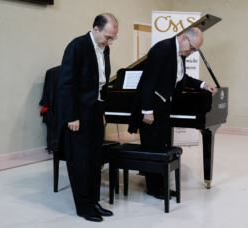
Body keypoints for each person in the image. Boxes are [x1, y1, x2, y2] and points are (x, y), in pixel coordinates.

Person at [128, 27, 218, 199]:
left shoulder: (179, 54)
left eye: (195, 50)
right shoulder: (162, 49)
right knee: (152, 147)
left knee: (161, 145)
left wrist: (203, 84)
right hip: (152, 108)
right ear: (183, 38)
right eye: (192, 48)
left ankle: (161, 186)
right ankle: (154, 189)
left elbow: (182, 78)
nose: (192, 52)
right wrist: (147, 110)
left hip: (163, 107)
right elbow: (148, 81)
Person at [56, 13, 118, 222]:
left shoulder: (104, 48)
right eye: (107, 36)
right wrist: (72, 116)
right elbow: (65, 84)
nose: (109, 41)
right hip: (78, 114)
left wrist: (102, 112)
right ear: (96, 28)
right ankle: (83, 207)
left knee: (94, 160)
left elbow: (102, 84)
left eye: (113, 38)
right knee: (80, 162)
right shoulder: (77, 46)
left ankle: (94, 202)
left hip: (95, 111)